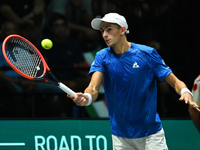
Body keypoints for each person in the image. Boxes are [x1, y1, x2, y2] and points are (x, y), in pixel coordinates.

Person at [67, 13, 200, 149]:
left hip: (151, 134)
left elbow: (174, 81)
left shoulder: (147, 53)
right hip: (121, 137)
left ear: (122, 30)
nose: (104, 35)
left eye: (109, 29)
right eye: (102, 31)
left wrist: (185, 91)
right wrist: (87, 97)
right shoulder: (102, 56)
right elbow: (93, 88)